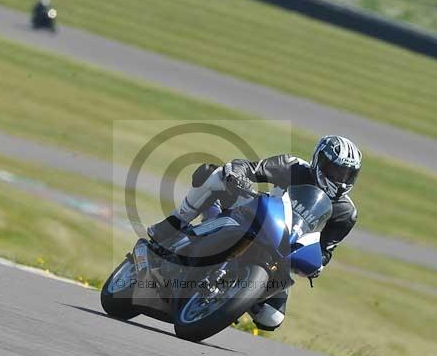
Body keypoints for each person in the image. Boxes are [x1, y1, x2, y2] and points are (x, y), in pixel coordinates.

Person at [148, 135, 361, 331]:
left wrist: (316, 264)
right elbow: (250, 168)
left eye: (346, 174)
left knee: (271, 318)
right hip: (257, 218)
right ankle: (174, 224)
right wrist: (237, 174)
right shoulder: (293, 166)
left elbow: (326, 250)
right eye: (334, 170)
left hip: (283, 251)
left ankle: (227, 301)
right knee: (216, 174)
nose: (340, 178)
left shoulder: (345, 213)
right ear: (319, 160)